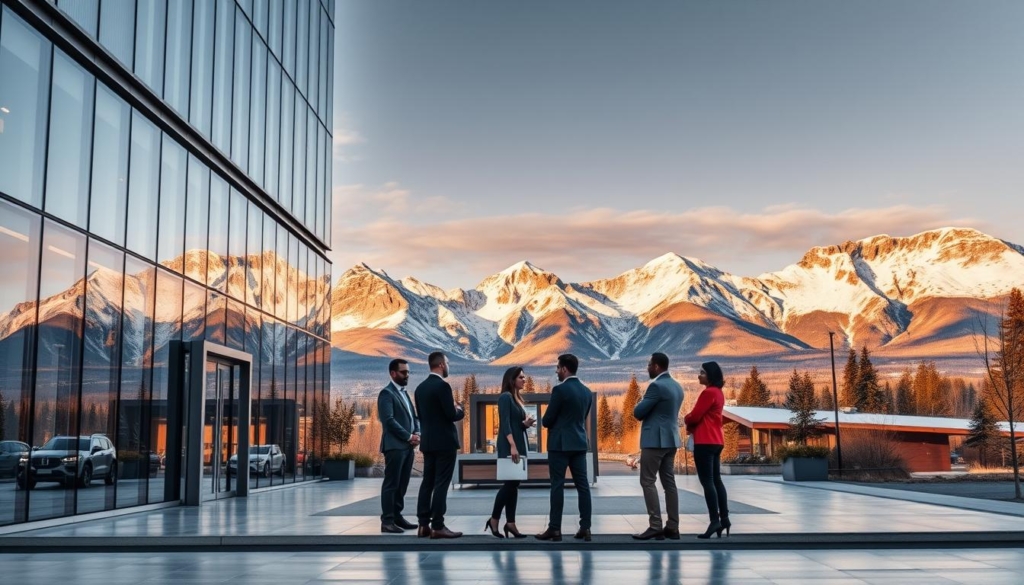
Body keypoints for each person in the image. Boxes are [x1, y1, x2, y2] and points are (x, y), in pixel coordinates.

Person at [536, 354, 593, 542]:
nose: (556, 371)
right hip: (578, 444)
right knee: (583, 486)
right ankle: (585, 528)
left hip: (559, 445)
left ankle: (555, 529)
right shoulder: (586, 392)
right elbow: (582, 417)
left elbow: (547, 420)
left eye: (558, 368)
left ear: (565, 369)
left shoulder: (559, 391)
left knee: (557, 485)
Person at [631, 352, 684, 540]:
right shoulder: (677, 387)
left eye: (649, 365)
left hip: (654, 441)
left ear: (656, 367)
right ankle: (673, 526)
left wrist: (640, 402)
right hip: (671, 440)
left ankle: (655, 525)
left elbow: (638, 412)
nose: (647, 368)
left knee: (647, 481)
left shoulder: (656, 387)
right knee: (669, 482)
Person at [414, 351, 465, 539]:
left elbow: (422, 416)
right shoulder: (443, 387)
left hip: (428, 442)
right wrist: (460, 409)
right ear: (442, 365)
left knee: (427, 482)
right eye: (448, 363)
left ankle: (423, 525)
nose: (448, 366)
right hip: (445, 442)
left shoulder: (420, 388)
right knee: (441, 484)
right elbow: (451, 415)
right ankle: (438, 525)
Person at [486, 366, 536, 539]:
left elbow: (515, 424)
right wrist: (513, 446)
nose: (524, 379)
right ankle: (494, 519)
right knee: (510, 485)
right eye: (521, 377)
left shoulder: (515, 399)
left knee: (514, 485)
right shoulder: (505, 398)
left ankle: (511, 523)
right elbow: (505, 424)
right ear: (512, 379)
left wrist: (525, 425)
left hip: (516, 444)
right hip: (510, 446)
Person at [683, 361, 730, 539]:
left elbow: (695, 416)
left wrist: (686, 418)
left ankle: (714, 521)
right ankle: (724, 518)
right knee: (717, 480)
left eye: (702, 372)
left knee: (707, 481)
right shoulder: (719, 393)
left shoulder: (708, 393)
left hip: (704, 441)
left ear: (710, 375)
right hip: (717, 440)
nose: (699, 375)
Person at [377, 358, 420, 534]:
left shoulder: (404, 393)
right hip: (395, 446)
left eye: (408, 372)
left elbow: (414, 417)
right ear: (393, 373)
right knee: (392, 483)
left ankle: (397, 516)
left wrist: (417, 433)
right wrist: (408, 436)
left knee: (402, 483)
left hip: (408, 447)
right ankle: (387, 521)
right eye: (403, 372)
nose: (407, 375)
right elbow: (388, 421)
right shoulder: (386, 394)